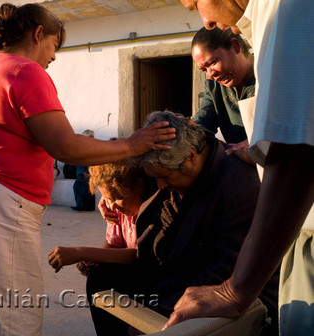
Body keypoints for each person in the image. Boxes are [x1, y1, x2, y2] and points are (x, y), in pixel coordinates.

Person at [0, 4, 176, 336]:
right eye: (53, 46)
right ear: (38, 34)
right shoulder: (25, 71)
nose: (53, 57)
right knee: (5, 318)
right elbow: (66, 146)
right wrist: (133, 145)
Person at [166, 1, 314, 334]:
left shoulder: (288, 10)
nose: (206, 20)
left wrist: (236, 290)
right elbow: (198, 126)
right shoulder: (219, 83)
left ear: (235, 49)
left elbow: (294, 156)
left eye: (195, 4)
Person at [85, 111, 278, 336]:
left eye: (165, 177)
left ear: (192, 156)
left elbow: (223, 272)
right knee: (104, 279)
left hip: (221, 295)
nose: (161, 186)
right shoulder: (176, 171)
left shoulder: (238, 186)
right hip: (176, 279)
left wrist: (161, 310)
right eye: (156, 179)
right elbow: (161, 240)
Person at [48, 160, 157, 273]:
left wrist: (81, 253)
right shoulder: (117, 211)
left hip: (150, 273)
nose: (113, 206)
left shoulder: (153, 210)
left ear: (139, 186)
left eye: (117, 198)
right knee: (97, 276)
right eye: (108, 199)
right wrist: (92, 260)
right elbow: (113, 244)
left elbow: (139, 255)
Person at [191, 27, 255, 163]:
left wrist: (260, 146)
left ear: (235, 46)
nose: (210, 74)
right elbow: (202, 126)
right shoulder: (215, 87)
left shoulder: (267, 74)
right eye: (204, 69)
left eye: (213, 63)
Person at [71, 129, 96, 211]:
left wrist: (91, 174)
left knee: (81, 183)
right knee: (81, 183)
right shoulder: (80, 148)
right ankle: (83, 205)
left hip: (89, 174)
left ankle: (82, 205)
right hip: (84, 173)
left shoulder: (94, 148)